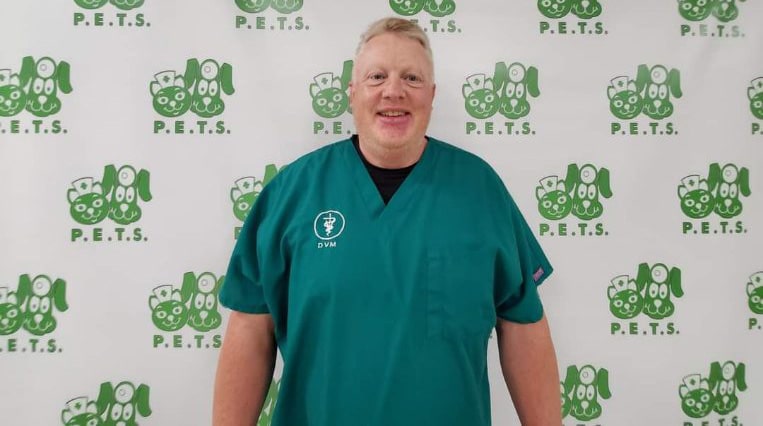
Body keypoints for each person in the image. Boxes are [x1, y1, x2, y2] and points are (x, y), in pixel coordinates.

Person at [213, 17, 561, 426]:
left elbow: (523, 325)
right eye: (377, 76)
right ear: (352, 92)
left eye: (412, 78)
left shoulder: (479, 191)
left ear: (432, 95)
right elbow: (250, 328)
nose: (393, 91)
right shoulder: (293, 193)